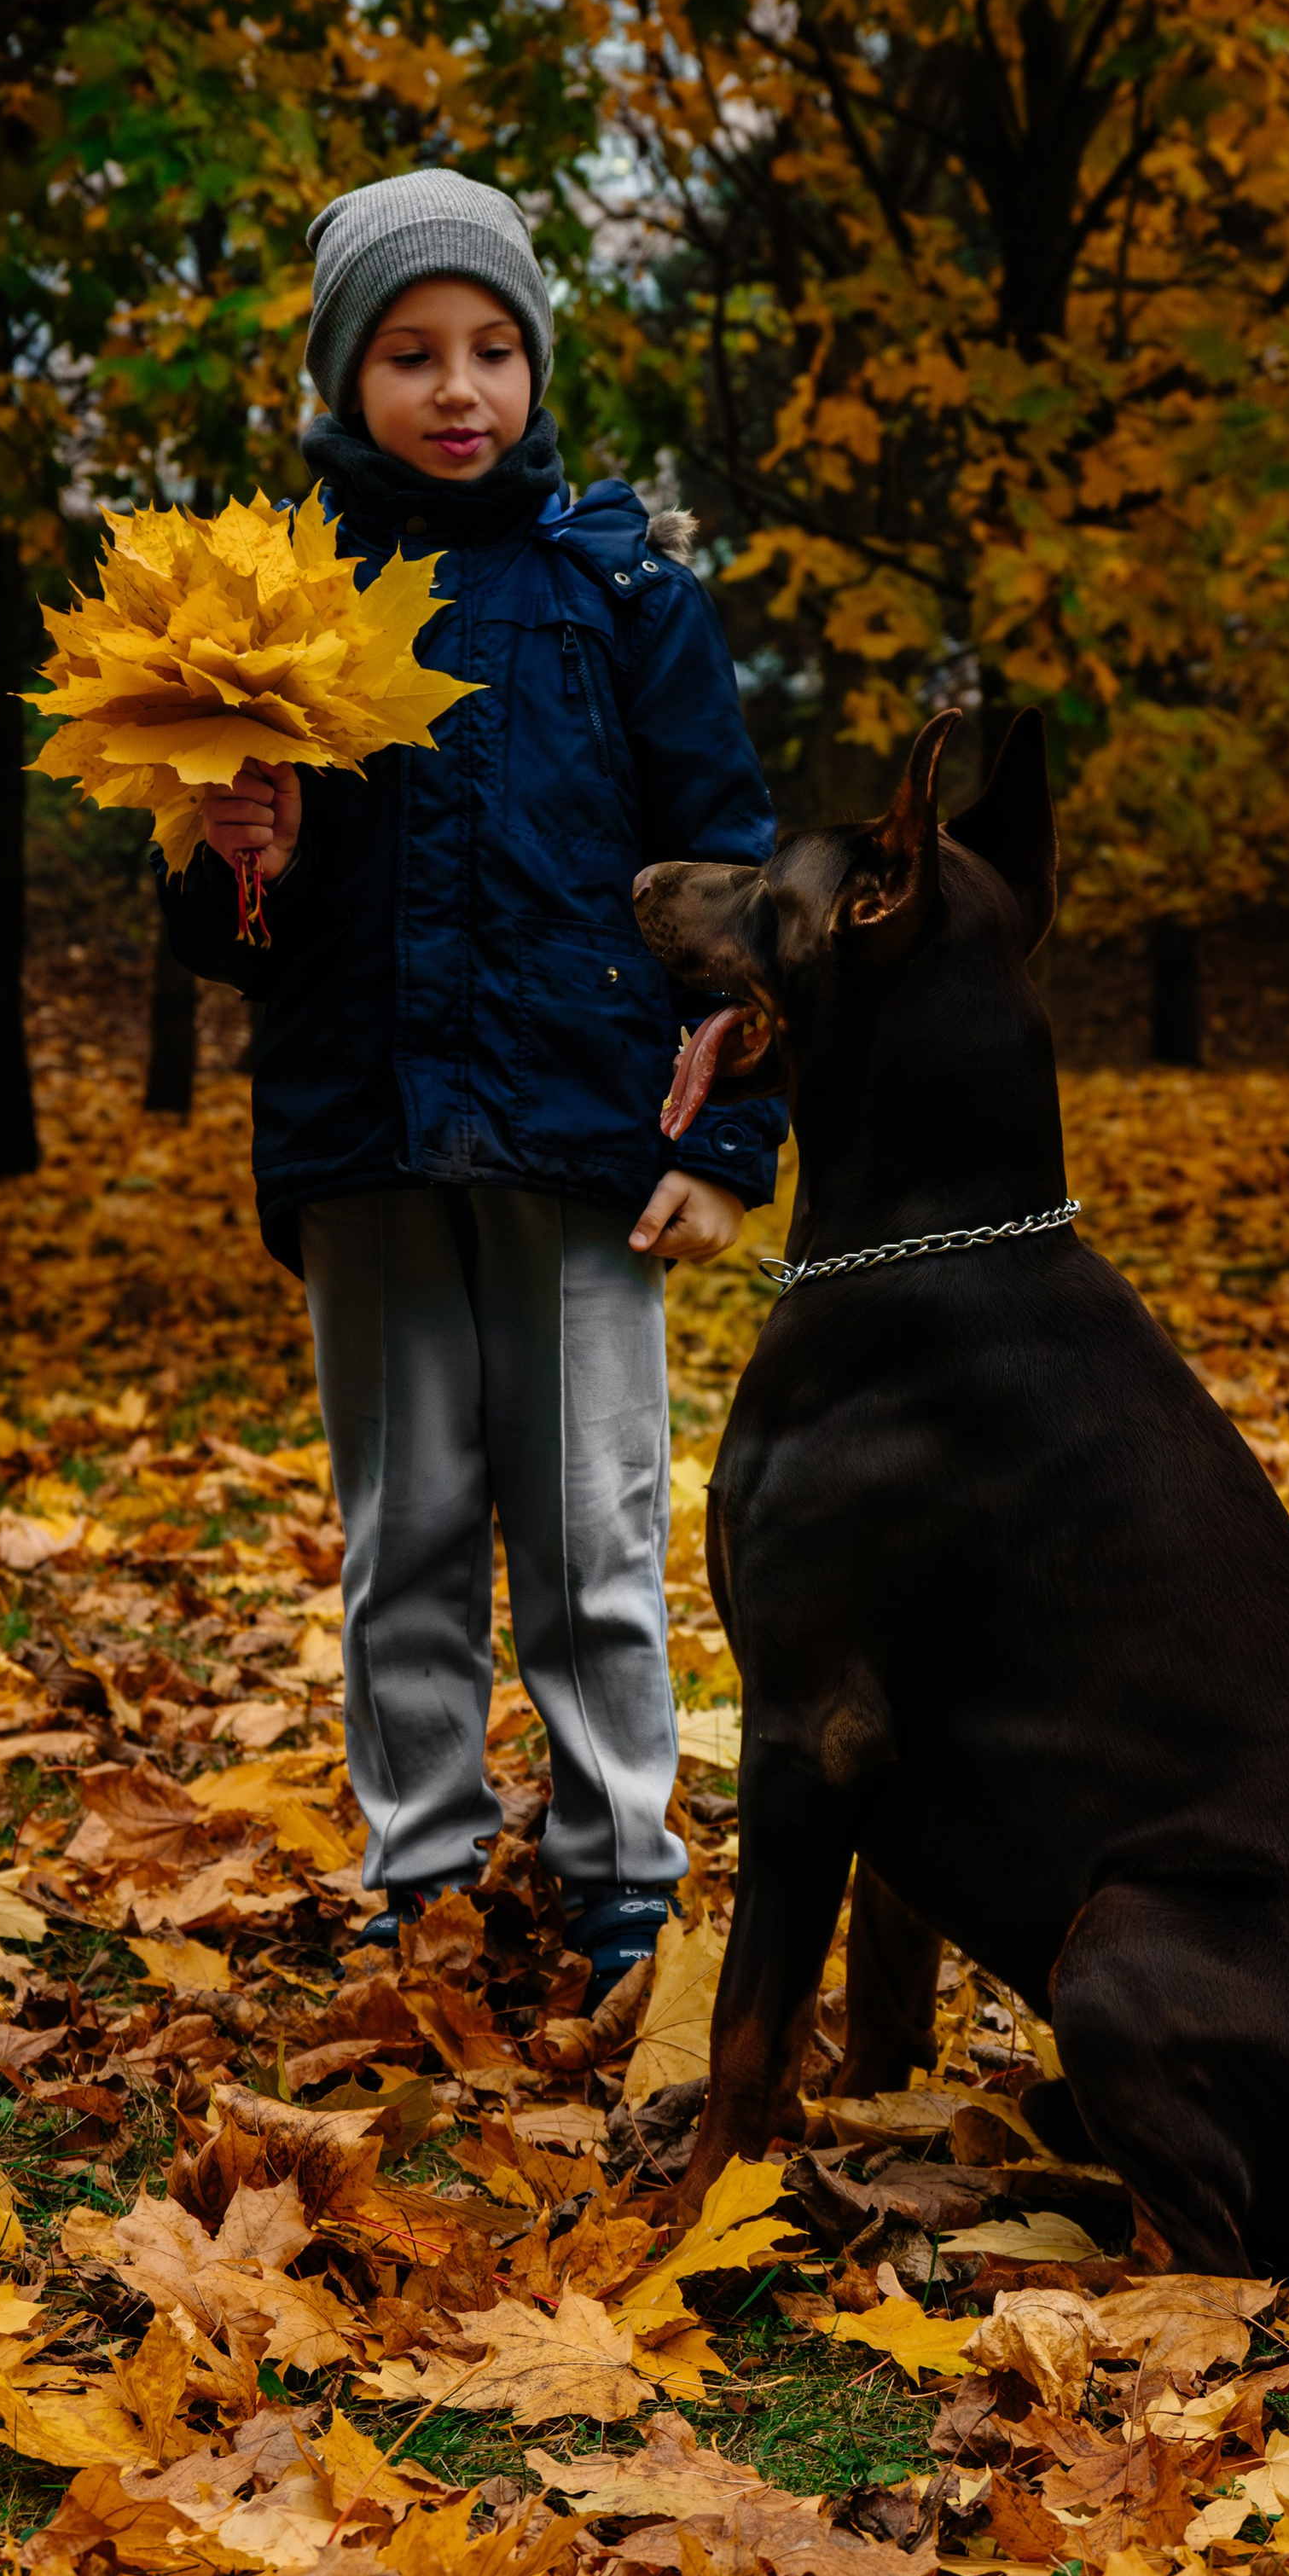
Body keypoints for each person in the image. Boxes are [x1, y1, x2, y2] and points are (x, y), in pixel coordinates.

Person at [162, 168, 784, 2005]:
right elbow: (229, 931)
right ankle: (420, 1862)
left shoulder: (622, 592)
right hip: (363, 1135)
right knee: (404, 1529)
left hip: (590, 1141)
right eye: (411, 352)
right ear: (346, 377)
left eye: (492, 348)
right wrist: (230, 851)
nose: (458, 389)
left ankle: (618, 1872)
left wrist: (733, 1136)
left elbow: (732, 882)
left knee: (589, 1528)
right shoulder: (275, 608)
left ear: (535, 366)